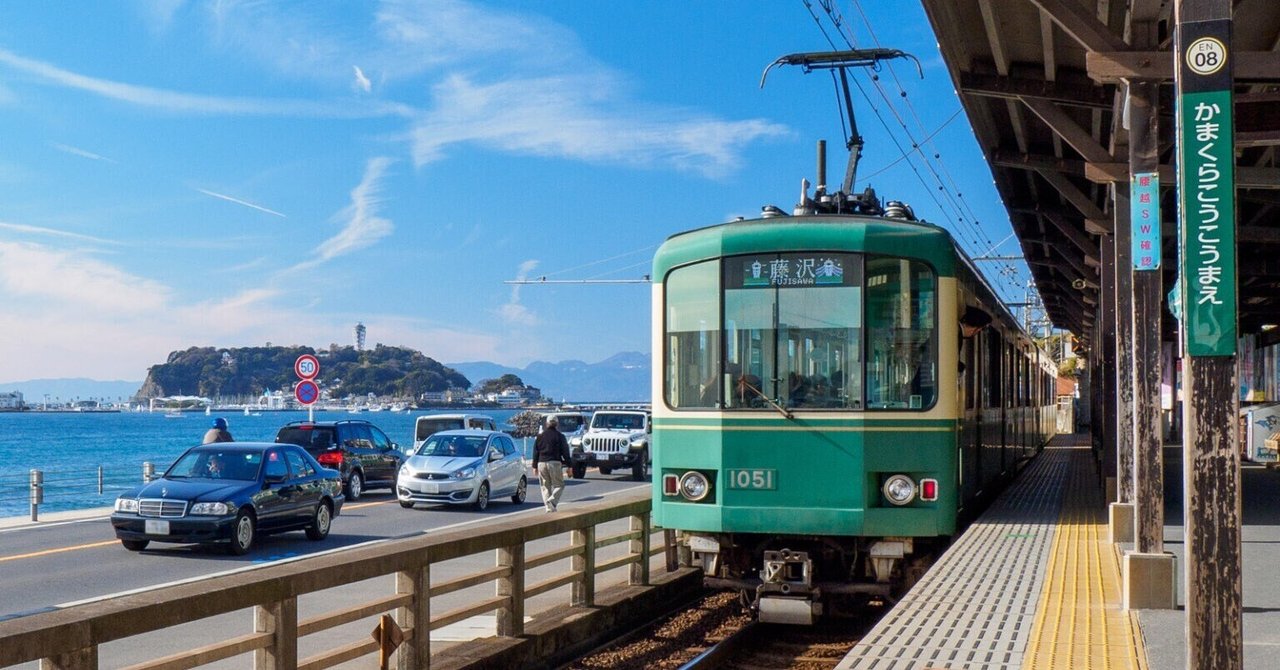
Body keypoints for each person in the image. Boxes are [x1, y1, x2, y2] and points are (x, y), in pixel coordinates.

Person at [531, 415, 571, 512]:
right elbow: (565, 452)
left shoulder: (540, 437)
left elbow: (535, 451)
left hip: (541, 463)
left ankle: (549, 508)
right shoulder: (560, 436)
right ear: (557, 424)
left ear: (547, 424)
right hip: (554, 462)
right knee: (559, 485)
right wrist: (569, 465)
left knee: (545, 487)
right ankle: (552, 501)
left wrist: (534, 466)